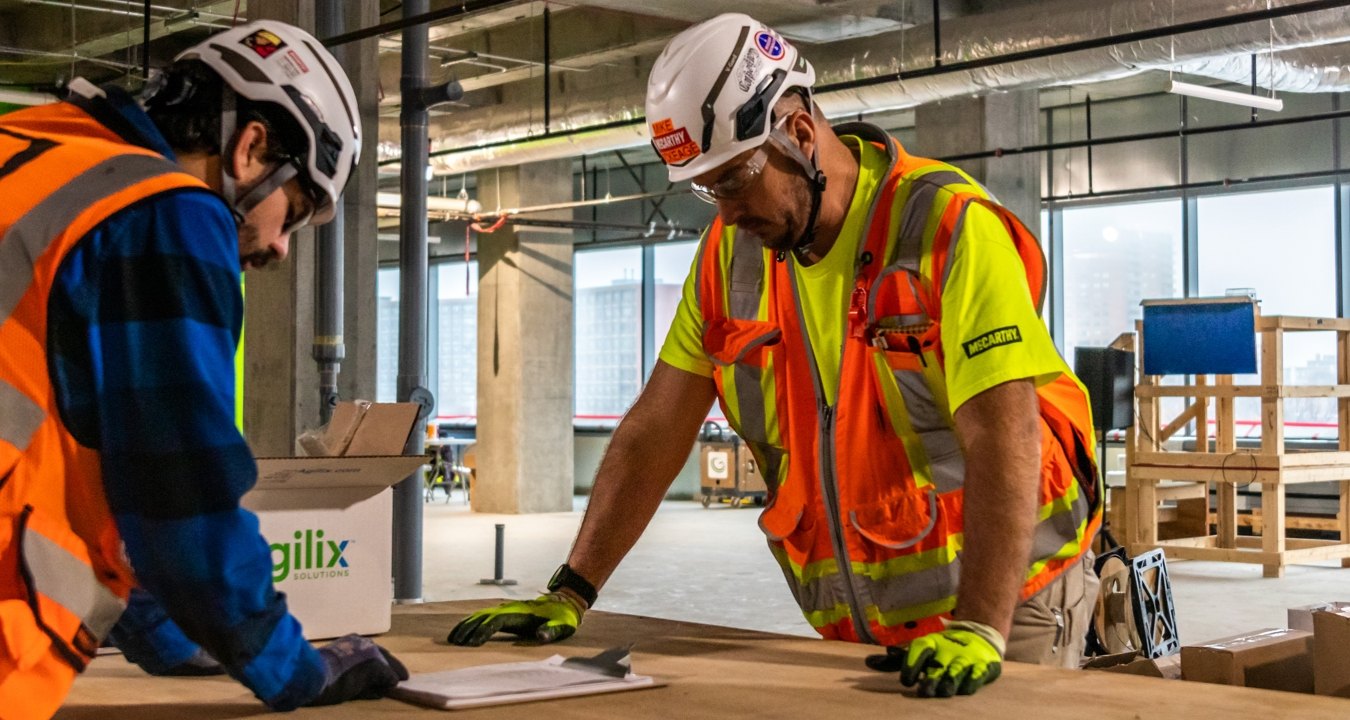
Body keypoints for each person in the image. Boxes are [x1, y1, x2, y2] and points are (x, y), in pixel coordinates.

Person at [449, 12, 1102, 698]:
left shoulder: (946, 229)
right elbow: (656, 430)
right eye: (706, 189)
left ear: (797, 133)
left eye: (733, 180)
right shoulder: (733, 260)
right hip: (864, 627)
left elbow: (1005, 434)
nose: (725, 213)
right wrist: (574, 589)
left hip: (1008, 603)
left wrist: (981, 627)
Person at [0, 20, 406, 719]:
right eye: (295, 212)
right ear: (250, 149)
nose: (279, 247)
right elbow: (179, 489)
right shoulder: (166, 210)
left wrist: (171, 634)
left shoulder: (40, 158)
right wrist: (292, 669)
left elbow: (78, 466)